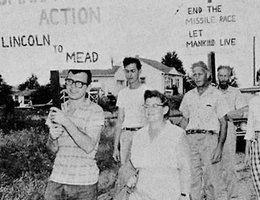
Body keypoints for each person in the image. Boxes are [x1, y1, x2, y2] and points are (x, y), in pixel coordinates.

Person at [44, 69, 104, 200]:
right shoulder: (57, 110)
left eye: (79, 83)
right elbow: (51, 150)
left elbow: (88, 146)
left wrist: (65, 121)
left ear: (87, 87)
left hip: (84, 184)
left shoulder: (95, 111)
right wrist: (52, 138)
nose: (73, 87)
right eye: (70, 81)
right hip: (57, 180)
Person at [126, 90, 191, 200]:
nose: (150, 110)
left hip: (168, 194)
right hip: (140, 195)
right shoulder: (138, 135)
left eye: (155, 106)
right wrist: (131, 179)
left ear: (165, 109)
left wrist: (184, 195)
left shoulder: (177, 134)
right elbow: (134, 166)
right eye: (146, 106)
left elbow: (185, 168)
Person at [179, 61, 230, 200]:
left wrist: (219, 147)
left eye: (200, 74)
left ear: (207, 74)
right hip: (190, 140)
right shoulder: (188, 95)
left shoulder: (216, 94)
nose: (197, 77)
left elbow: (223, 123)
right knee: (192, 180)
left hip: (209, 139)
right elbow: (184, 121)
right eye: (194, 74)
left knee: (212, 180)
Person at [217, 65, 248, 199]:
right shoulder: (212, 91)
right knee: (214, 164)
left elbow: (241, 110)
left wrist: (226, 115)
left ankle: (233, 196)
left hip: (228, 129)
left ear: (230, 77)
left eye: (225, 76)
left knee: (229, 165)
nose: (223, 79)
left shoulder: (235, 92)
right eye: (220, 76)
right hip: (213, 130)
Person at [113, 57, 151, 165]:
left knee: (142, 169)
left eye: (133, 71)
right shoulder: (122, 93)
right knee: (125, 171)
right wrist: (115, 147)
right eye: (127, 71)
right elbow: (120, 120)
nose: (130, 74)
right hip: (126, 136)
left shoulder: (147, 91)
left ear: (139, 71)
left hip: (142, 134)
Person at [244, 94, 260, 199]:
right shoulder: (254, 101)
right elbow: (249, 127)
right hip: (256, 142)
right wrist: (246, 154)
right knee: (257, 179)